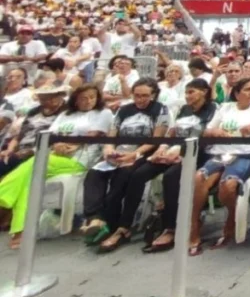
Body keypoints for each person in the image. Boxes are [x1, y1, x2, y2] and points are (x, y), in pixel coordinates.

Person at [190, 78, 250, 253]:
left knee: (228, 185)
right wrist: (215, 131)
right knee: (199, 177)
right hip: (220, 152)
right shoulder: (225, 108)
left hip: (248, 154)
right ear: (237, 93)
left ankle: (231, 219)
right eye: (247, 89)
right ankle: (194, 227)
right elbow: (207, 130)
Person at [81, 78, 169, 252]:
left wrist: (134, 154)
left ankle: (118, 227)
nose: (140, 99)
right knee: (94, 174)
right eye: (137, 95)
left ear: (153, 95)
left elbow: (156, 138)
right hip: (119, 151)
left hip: (142, 152)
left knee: (123, 177)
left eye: (145, 96)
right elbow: (113, 133)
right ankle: (95, 218)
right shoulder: (124, 109)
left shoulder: (161, 110)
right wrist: (108, 149)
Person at [145, 79, 218, 253]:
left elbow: (205, 135)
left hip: (200, 153)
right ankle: (121, 225)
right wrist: (162, 149)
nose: (187, 96)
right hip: (176, 150)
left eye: (191, 92)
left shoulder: (213, 110)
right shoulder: (184, 109)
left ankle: (171, 227)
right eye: (186, 92)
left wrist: (180, 153)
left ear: (204, 92)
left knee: (171, 176)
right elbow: (173, 132)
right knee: (139, 172)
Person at [0, 83, 76, 248]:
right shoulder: (34, 112)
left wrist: (31, 151)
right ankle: (10, 219)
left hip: (39, 152)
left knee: (23, 171)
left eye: (50, 97)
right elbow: (18, 136)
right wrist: (9, 149)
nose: (46, 100)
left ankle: (5, 205)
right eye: (43, 97)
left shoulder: (65, 113)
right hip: (21, 149)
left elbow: (54, 139)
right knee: (7, 162)